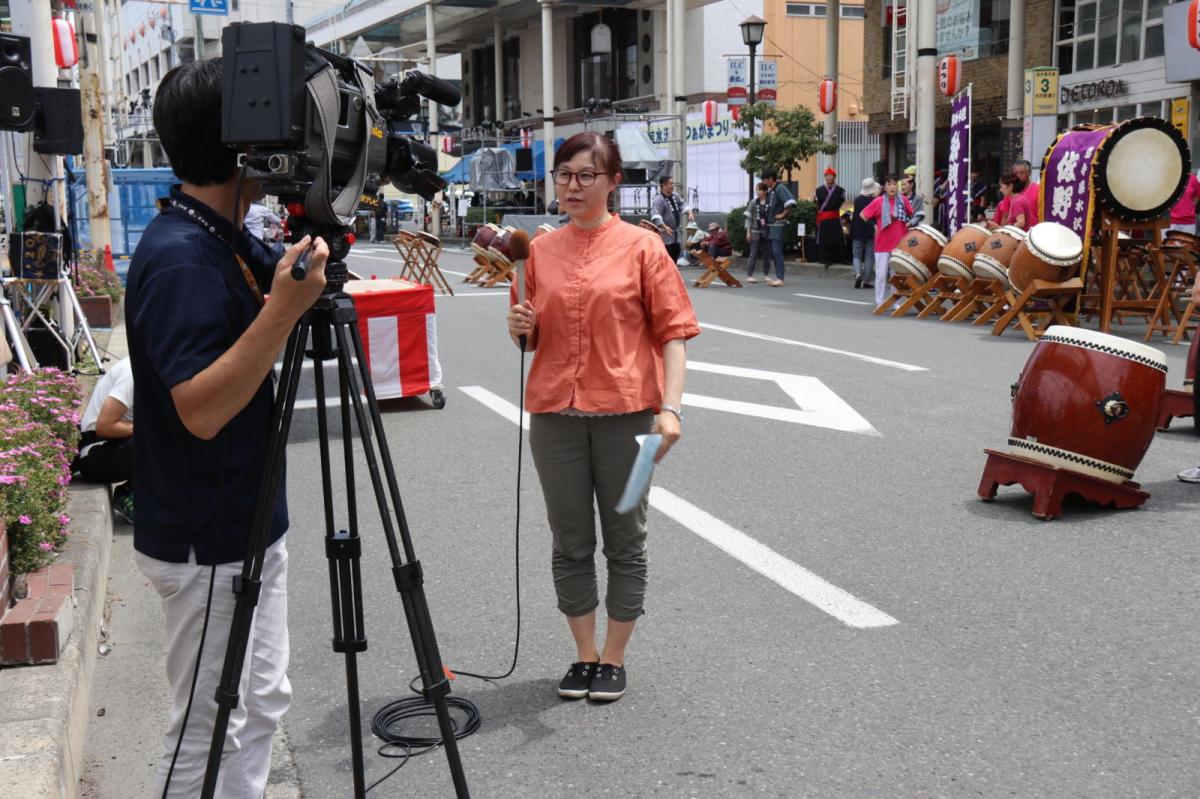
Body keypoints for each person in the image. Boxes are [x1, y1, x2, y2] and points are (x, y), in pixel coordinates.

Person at [126, 59, 330, 797]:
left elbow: (285, 281)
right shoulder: (181, 257)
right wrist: (281, 312)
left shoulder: (215, 232)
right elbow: (202, 409)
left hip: (243, 520)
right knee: (206, 729)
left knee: (257, 705)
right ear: (242, 146)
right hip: (207, 534)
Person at [506, 132, 700, 703]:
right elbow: (527, 340)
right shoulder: (537, 251)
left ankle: (615, 657)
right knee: (569, 539)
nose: (572, 185)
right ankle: (584, 654)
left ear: (614, 182)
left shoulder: (644, 248)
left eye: (586, 175)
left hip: (632, 418)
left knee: (626, 536)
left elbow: (675, 335)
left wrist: (671, 409)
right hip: (553, 418)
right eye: (564, 174)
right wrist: (518, 328)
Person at [72, 357, 135, 523]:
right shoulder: (132, 373)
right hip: (94, 451)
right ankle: (130, 495)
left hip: (117, 443)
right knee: (158, 438)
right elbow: (105, 426)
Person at [859, 174, 914, 309]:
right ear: (884, 187)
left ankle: (895, 301)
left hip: (899, 242)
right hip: (883, 242)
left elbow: (911, 213)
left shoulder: (903, 200)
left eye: (895, 184)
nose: (892, 187)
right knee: (881, 274)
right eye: (889, 184)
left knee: (895, 275)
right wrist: (874, 225)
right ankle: (879, 301)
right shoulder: (878, 201)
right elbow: (863, 215)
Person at [762, 168, 797, 287]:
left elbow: (790, 201)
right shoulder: (772, 190)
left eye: (765, 179)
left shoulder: (780, 188)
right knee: (773, 252)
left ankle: (780, 278)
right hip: (772, 225)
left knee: (777, 251)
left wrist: (782, 214)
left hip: (778, 224)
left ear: (771, 179)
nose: (764, 182)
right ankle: (778, 277)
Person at [650, 174, 693, 262]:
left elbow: (682, 204)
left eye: (672, 184)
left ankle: (673, 273)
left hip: (675, 232)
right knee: (666, 257)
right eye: (670, 184)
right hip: (665, 233)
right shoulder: (658, 200)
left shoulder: (675, 195)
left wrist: (689, 213)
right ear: (663, 186)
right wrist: (665, 227)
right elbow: (656, 215)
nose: (672, 186)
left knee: (676, 253)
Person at [813, 167, 846, 269]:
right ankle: (826, 259)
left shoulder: (840, 190)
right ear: (825, 177)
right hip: (824, 219)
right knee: (825, 239)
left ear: (834, 177)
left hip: (835, 217)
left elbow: (841, 202)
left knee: (838, 238)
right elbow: (817, 204)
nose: (829, 178)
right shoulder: (818, 190)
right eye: (827, 176)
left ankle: (842, 259)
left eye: (831, 176)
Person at [850, 178, 880, 289]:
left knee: (856, 255)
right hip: (870, 230)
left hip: (857, 230)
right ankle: (867, 281)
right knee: (869, 256)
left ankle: (858, 274)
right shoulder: (875, 201)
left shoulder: (857, 200)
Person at [742, 182, 772, 283]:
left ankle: (766, 275)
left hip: (767, 231)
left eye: (759, 190)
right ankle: (749, 275)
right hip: (755, 231)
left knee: (767, 254)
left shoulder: (770, 202)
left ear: (765, 191)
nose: (757, 192)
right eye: (757, 190)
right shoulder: (753, 202)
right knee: (753, 253)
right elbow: (748, 218)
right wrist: (748, 232)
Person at [1167, 170, 1200, 237]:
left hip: (1188, 222)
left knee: (1188, 247)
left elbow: (1196, 196)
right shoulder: (1167, 178)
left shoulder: (1193, 178)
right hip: (1169, 222)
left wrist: (1188, 209)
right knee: (1168, 247)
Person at [1012, 159, 1041, 225]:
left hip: (1034, 231)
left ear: (1029, 173)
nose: (1018, 176)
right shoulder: (1011, 191)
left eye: (1022, 172)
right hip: (1016, 232)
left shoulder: (1038, 189)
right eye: (1016, 173)